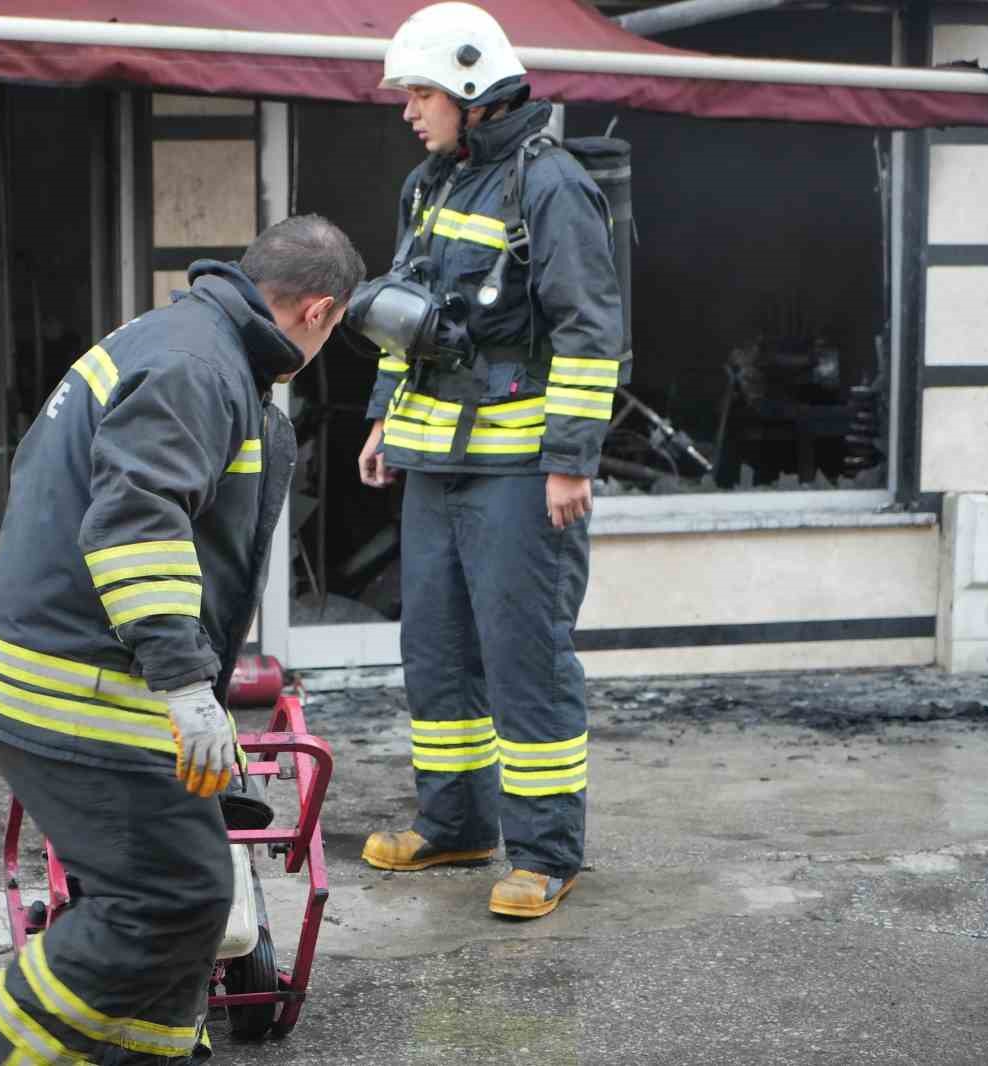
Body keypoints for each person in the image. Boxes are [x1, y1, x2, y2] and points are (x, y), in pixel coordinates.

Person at [0, 215, 364, 1066]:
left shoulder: (183, 338)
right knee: (174, 895)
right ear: (320, 312)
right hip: (75, 681)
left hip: (61, 660)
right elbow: (138, 524)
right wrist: (182, 687)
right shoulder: (198, 369)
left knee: (195, 892)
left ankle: (149, 1049)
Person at [355, 2, 628, 919]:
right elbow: (402, 309)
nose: (408, 110)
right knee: (436, 653)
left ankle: (546, 853)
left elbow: (591, 332)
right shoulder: (429, 184)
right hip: (434, 464)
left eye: (420, 92)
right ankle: (457, 826)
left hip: (521, 474)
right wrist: (384, 418)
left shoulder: (549, 186)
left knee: (525, 660)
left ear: (472, 93)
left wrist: (571, 461)